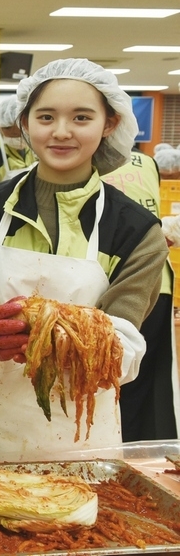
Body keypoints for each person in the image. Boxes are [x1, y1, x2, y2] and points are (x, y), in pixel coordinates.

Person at [0, 59, 166, 456]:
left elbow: (124, 344)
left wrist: (65, 341)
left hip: (78, 434)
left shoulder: (136, 231)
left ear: (109, 123)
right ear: (25, 123)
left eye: (82, 117)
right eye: (46, 117)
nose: (61, 132)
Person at [100, 151, 180, 441]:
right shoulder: (147, 162)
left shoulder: (82, 161)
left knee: (109, 379)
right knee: (141, 382)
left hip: (114, 284)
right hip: (156, 282)